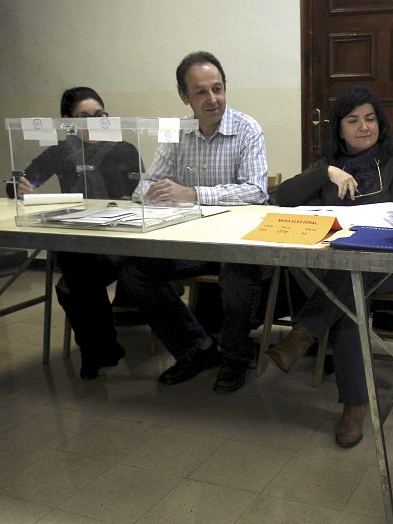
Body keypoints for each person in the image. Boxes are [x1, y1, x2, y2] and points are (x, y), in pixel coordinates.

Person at [266, 85, 393, 447]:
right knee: (345, 294)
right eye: (353, 120)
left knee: (347, 289)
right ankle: (354, 404)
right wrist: (325, 174)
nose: (364, 127)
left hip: (388, 262)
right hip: (338, 267)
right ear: (339, 128)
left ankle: (303, 336)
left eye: (370, 119)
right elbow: (280, 198)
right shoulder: (327, 165)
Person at [119, 51, 268, 393]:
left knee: (238, 273)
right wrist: (154, 191)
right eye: (201, 92)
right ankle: (196, 349)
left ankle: (235, 355)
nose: (212, 99)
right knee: (134, 272)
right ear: (184, 97)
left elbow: (257, 191)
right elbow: (144, 184)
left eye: (218, 89)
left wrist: (192, 193)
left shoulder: (247, 129)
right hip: (190, 240)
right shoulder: (176, 132)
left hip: (238, 241)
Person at [6, 87, 141, 379]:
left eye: (99, 116)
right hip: (81, 240)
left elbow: (140, 194)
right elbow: (23, 179)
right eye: (83, 118)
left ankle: (98, 351)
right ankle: (102, 350)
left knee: (71, 282)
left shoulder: (124, 148)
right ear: (67, 121)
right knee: (77, 267)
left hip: (122, 239)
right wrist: (19, 186)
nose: (93, 123)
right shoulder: (61, 151)